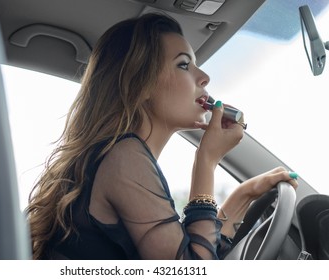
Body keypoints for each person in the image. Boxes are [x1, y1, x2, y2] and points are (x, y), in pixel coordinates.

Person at [25, 13, 298, 260]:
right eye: (183, 65)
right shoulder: (124, 157)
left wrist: (244, 194)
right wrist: (206, 161)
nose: (203, 77)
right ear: (139, 85)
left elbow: (195, 248)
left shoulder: (117, 155)